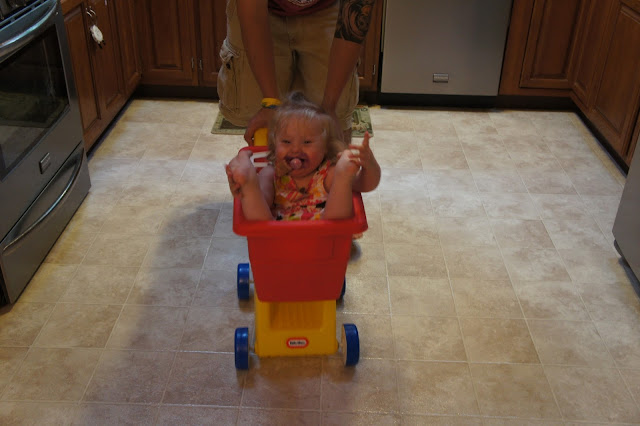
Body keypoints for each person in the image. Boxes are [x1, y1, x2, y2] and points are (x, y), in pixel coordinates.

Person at [217, 0, 376, 145]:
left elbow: (355, 14)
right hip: (260, 9)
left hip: (330, 6)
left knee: (335, 121)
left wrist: (330, 107)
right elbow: (253, 16)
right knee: (258, 112)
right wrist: (271, 103)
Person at [225, 92, 380, 221]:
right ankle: (248, 180)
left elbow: (365, 185)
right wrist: (247, 191)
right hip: (277, 240)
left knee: (337, 214)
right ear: (274, 145)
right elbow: (262, 202)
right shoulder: (271, 174)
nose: (295, 149)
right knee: (258, 214)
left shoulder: (328, 174)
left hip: (324, 239)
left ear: (325, 148)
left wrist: (369, 165)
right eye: (286, 141)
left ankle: (345, 176)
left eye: (307, 142)